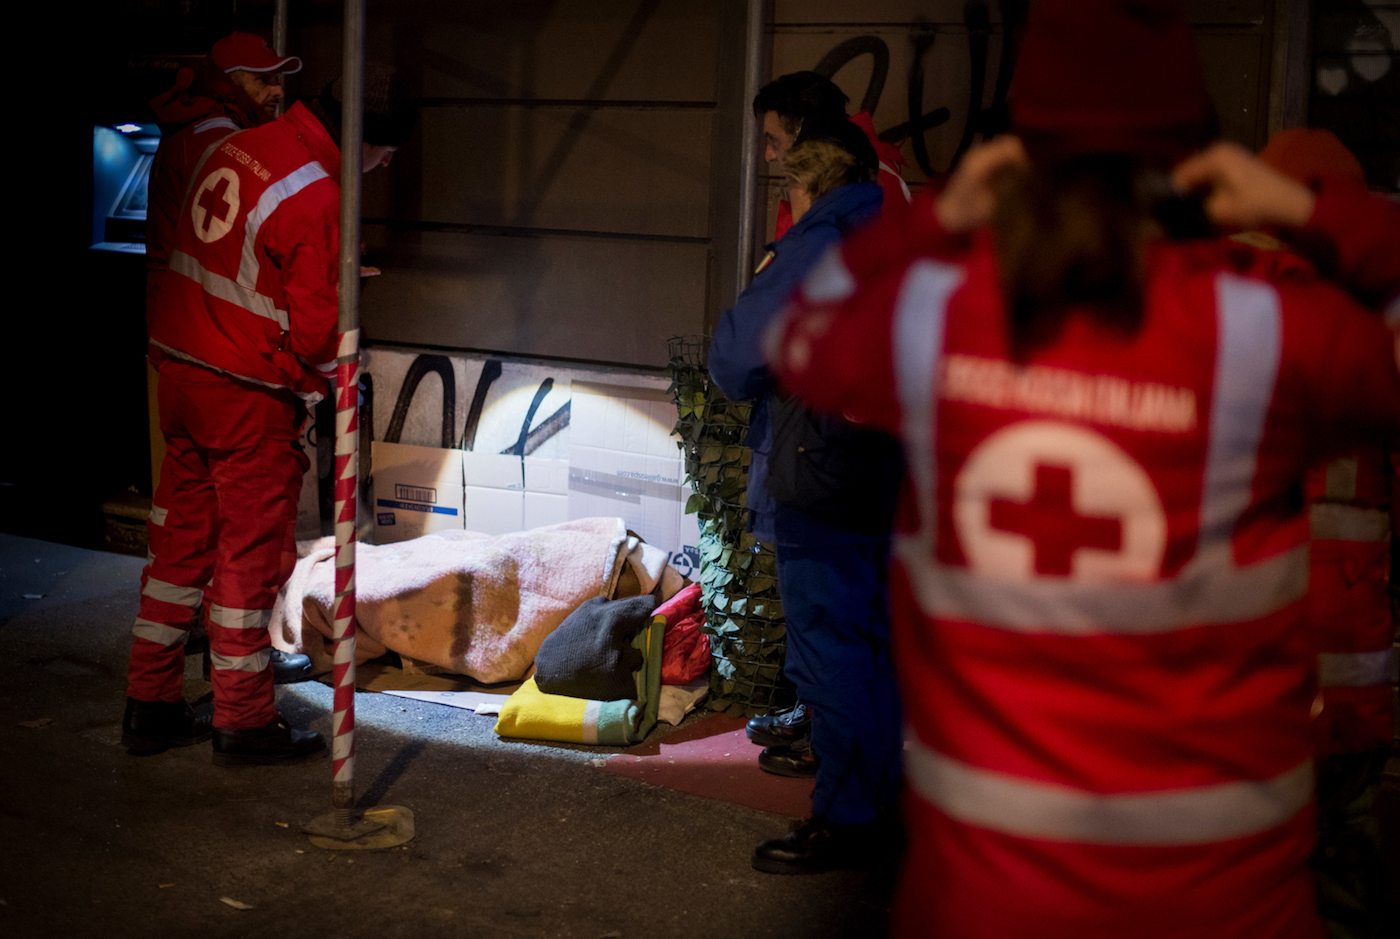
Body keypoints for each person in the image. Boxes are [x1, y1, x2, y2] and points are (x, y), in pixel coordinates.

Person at [769, 0, 1400, 934]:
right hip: (1222, 901)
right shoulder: (1267, 329)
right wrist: (1304, 211)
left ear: (1021, 153)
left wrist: (937, 212)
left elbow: (799, 333)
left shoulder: (942, 316)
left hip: (988, 900)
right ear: (1193, 155)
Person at [122, 65, 417, 766]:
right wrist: (322, 384)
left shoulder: (238, 145)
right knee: (248, 561)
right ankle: (244, 719)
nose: (381, 169)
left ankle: (149, 701)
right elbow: (317, 337)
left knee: (178, 547)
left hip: (182, 373)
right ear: (369, 141)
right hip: (246, 392)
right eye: (386, 157)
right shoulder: (319, 195)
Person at [709, 116, 903, 874]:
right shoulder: (903, 232)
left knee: (829, 650)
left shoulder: (815, 240)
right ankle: (883, 802)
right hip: (892, 475)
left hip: (821, 469)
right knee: (876, 644)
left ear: (805, 182)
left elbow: (732, 358)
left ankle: (847, 818)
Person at [743, 70, 910, 762]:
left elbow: (768, 315)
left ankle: (834, 752)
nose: (769, 159)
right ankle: (845, 737)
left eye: (777, 143)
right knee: (855, 604)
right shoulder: (885, 185)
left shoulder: (837, 202)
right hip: (864, 427)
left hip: (825, 429)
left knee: (828, 605)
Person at [753, 71, 911, 244]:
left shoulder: (869, 182)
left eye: (774, 141)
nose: (769, 155)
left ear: (804, 134)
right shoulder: (847, 175)